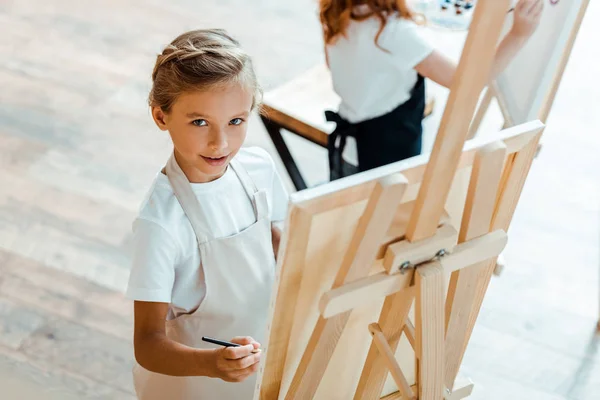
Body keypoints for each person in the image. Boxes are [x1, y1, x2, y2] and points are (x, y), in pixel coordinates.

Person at [125, 29, 289, 399]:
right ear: (161, 116)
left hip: (259, 366)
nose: (221, 143)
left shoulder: (259, 167)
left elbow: (275, 238)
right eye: (200, 122)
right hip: (193, 385)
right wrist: (211, 364)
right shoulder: (160, 223)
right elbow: (147, 343)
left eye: (236, 121)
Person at [321, 0, 543, 180]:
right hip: (385, 163)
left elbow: (333, 64)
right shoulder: (392, 32)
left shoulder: (336, 11)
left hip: (347, 154)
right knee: (379, 230)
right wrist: (518, 34)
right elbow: (465, 83)